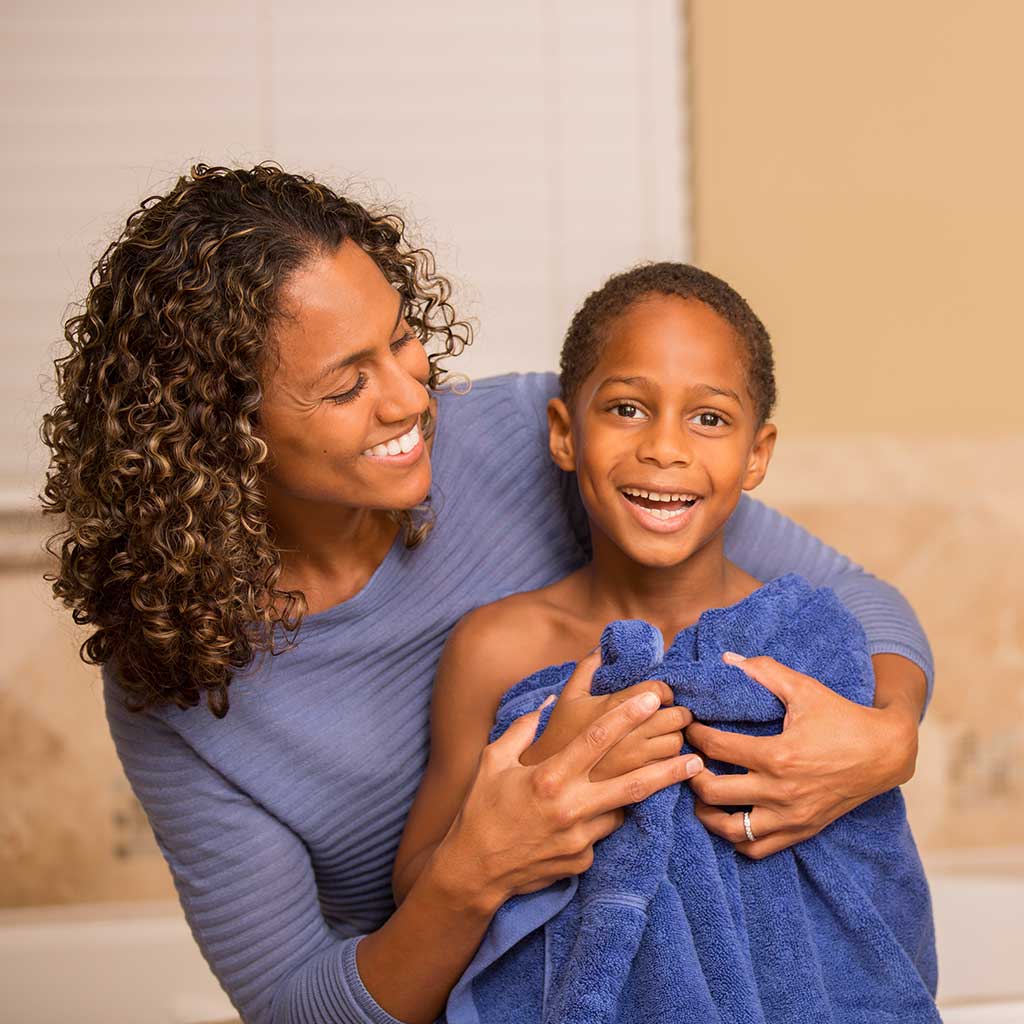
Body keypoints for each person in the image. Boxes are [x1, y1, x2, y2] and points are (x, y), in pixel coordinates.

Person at [41, 164, 932, 1024]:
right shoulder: (177, 682)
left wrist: (887, 736)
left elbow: (848, 597)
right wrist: (480, 866)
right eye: (348, 383)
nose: (409, 398)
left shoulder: (522, 436)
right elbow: (291, 1006)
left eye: (399, 339)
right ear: (222, 433)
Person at [394, 263, 938, 1021]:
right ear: (563, 435)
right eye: (625, 408)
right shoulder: (498, 646)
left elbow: (872, 888)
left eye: (709, 419)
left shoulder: (803, 646)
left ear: (757, 453)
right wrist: (542, 784)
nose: (665, 448)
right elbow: (420, 881)